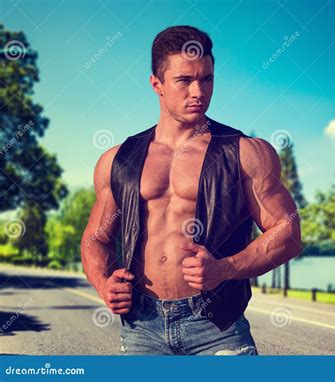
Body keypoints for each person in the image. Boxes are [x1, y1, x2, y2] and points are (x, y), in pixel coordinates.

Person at [81, 25, 302, 355]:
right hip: (141, 326)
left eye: (207, 78)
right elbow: (95, 238)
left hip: (217, 327)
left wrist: (225, 268)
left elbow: (289, 232)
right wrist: (104, 283)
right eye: (184, 80)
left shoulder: (246, 152)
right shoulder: (118, 160)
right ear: (156, 84)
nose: (199, 91)